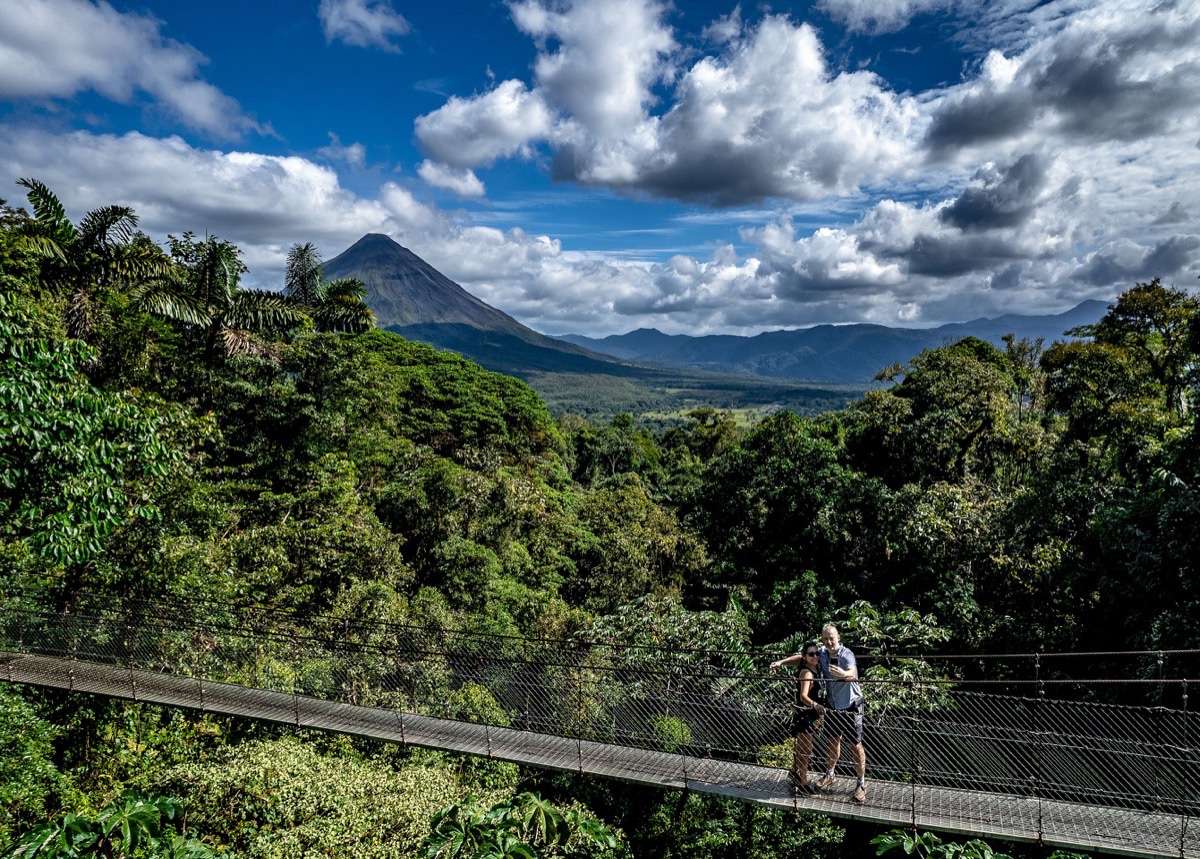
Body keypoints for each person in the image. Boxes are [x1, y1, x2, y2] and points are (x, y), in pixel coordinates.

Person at [816, 624, 867, 803]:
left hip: (851, 705)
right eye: (825, 639)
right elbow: (802, 657)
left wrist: (844, 674)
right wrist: (780, 662)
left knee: (855, 744)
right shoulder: (822, 654)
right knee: (832, 741)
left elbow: (852, 672)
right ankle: (830, 774)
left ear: (838, 637)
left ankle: (861, 783)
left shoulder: (847, 655)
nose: (829, 642)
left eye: (831, 638)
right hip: (833, 705)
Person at [768, 642, 826, 795]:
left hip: (810, 715)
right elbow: (803, 696)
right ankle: (803, 782)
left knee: (802, 747)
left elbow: (795, 659)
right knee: (806, 749)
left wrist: (781, 662)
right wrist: (816, 705)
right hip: (806, 714)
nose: (815, 656)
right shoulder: (807, 673)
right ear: (805, 656)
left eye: (817, 653)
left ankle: (794, 771)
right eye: (811, 654)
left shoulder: (812, 666)